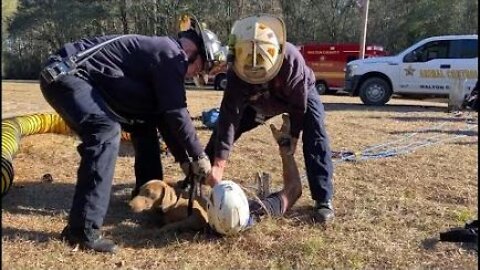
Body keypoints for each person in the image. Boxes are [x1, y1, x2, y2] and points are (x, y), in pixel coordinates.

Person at [39, 15, 217, 253]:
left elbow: (163, 117)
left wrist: (185, 161)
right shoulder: (170, 54)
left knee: (145, 123)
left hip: (77, 78)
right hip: (66, 75)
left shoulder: (162, 55)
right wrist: (200, 156)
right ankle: (81, 231)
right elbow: (177, 112)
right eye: (199, 69)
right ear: (193, 50)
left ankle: (146, 199)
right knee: (105, 132)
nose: (192, 75)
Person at [204, 15, 335, 224]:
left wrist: (292, 137)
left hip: (296, 95)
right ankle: (198, 180)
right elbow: (229, 117)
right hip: (257, 99)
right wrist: (219, 163)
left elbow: (298, 106)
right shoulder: (238, 67)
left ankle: (323, 199)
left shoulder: (292, 61)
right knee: (221, 132)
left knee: (316, 134)